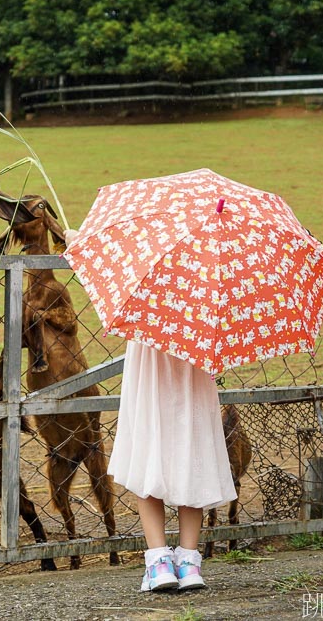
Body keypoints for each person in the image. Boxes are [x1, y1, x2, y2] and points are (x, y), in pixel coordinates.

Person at [64, 229, 237, 592]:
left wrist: (79, 240)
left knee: (149, 457)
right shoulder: (210, 276)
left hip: (151, 377)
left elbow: (105, 270)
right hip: (193, 377)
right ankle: (189, 563)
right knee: (194, 460)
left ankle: (159, 562)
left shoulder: (144, 267)